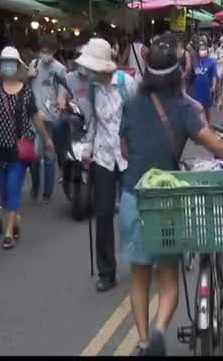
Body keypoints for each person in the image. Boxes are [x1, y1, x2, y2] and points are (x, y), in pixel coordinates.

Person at [119, 35, 223, 356]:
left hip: (135, 195)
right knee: (168, 279)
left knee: (139, 278)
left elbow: (124, 150)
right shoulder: (183, 107)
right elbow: (212, 141)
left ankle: (143, 343)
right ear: (178, 73)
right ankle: (159, 330)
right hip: (167, 200)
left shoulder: (131, 105)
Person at [74, 38, 138, 292]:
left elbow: (138, 117)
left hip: (128, 155)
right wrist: (87, 147)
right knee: (102, 215)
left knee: (134, 211)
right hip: (103, 156)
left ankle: (142, 259)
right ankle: (107, 272)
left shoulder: (127, 84)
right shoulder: (92, 89)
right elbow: (92, 122)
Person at [0, 47, 53, 250]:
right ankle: (15, 218)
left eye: (11, 63)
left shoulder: (26, 92)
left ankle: (8, 233)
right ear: (0, 66)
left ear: (18, 66)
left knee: (13, 186)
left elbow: (36, 117)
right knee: (3, 192)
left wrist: (46, 139)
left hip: (18, 149)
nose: (8, 66)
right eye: (5, 62)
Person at [27, 34, 69, 204]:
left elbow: (63, 90)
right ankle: (36, 186)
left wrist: (61, 99)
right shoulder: (33, 64)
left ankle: (47, 193)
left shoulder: (60, 68)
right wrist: (29, 76)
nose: (45, 54)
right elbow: (24, 86)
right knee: (34, 155)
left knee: (49, 155)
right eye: (43, 51)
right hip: (34, 114)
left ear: (54, 51)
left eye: (49, 51)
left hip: (51, 115)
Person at [190, 42, 218, 123]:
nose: (203, 51)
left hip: (207, 89)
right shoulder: (195, 62)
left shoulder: (211, 62)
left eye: (204, 49)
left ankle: (208, 124)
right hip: (197, 90)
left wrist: (214, 86)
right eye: (201, 49)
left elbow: (214, 75)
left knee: (207, 109)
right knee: (198, 110)